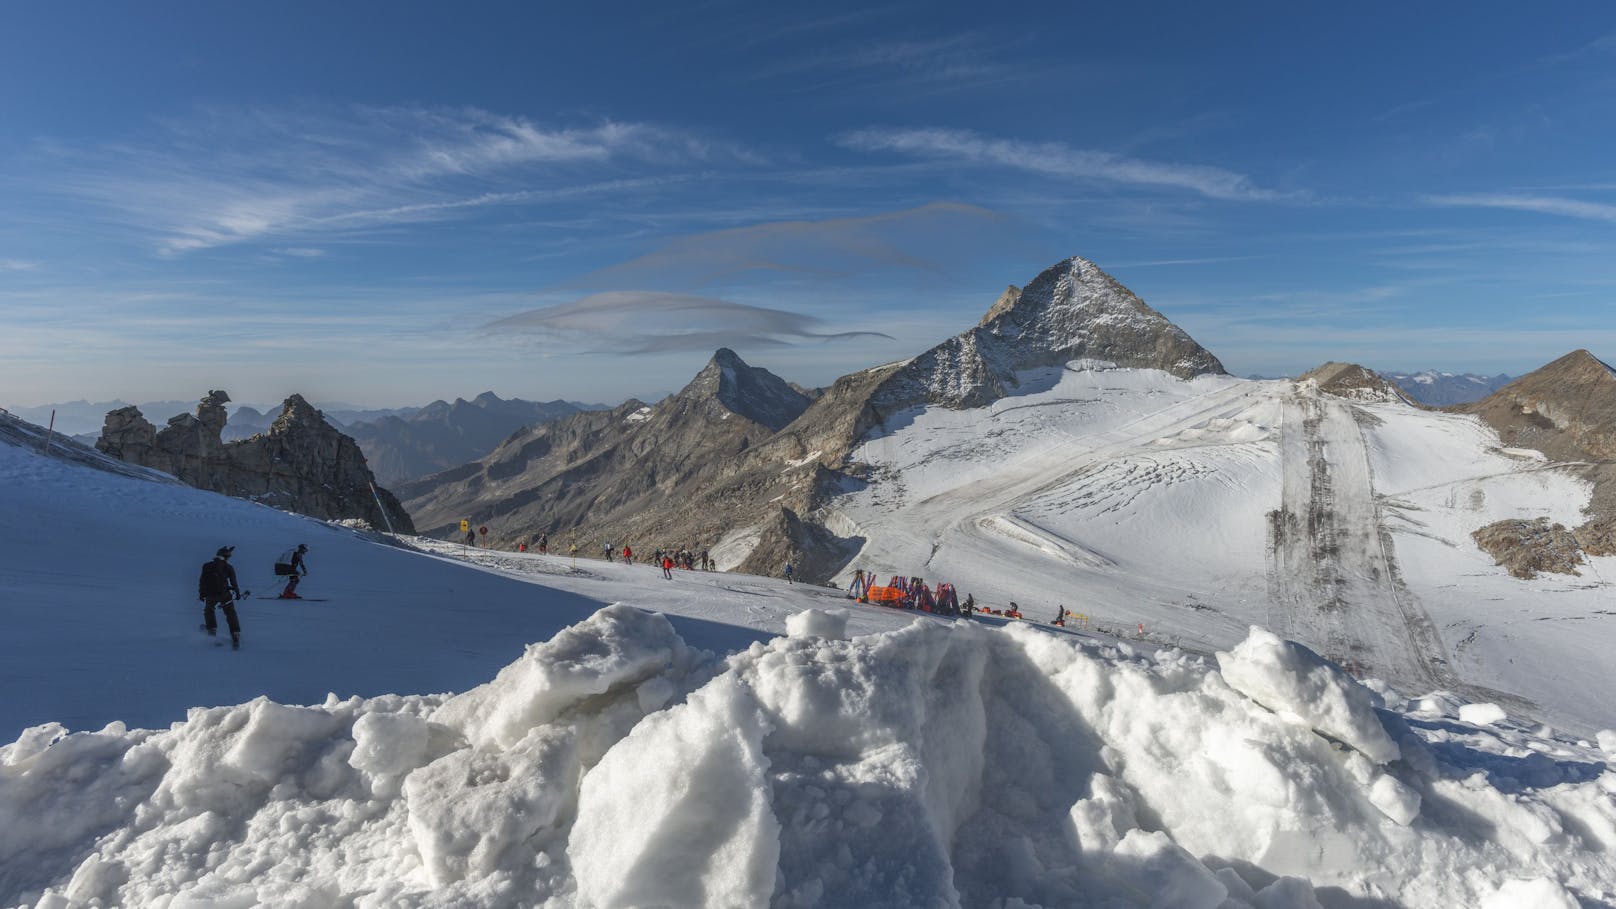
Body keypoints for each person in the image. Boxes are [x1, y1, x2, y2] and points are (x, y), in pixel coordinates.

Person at [198, 546, 244, 650]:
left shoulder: (207, 566)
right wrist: (237, 592)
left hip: (211, 595)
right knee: (230, 612)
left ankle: (212, 631)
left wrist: (201, 593)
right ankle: (235, 633)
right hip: (225, 594)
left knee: (209, 610)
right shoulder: (228, 567)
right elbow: (233, 581)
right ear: (226, 557)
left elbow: (202, 581)